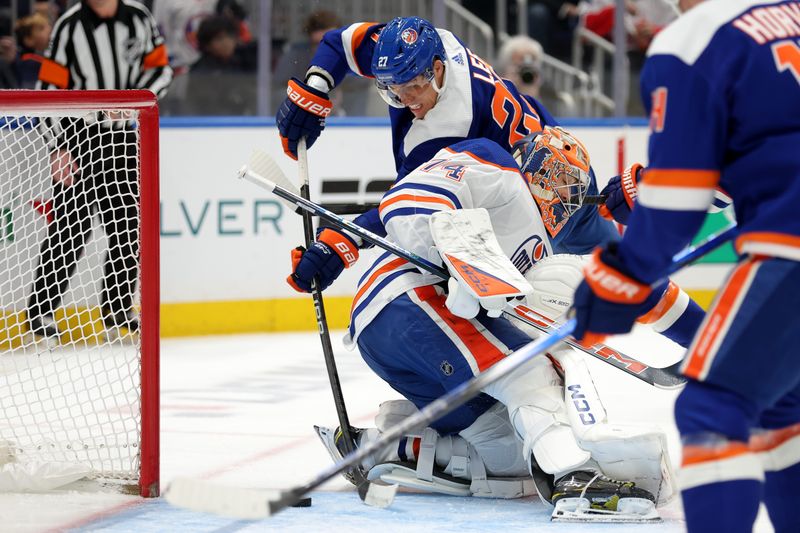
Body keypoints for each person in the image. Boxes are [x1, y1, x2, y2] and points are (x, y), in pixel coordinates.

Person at [279, 16, 704, 351]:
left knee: (481, 296)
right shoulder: (429, 45)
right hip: (556, 167)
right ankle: (708, 341)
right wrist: (316, 87)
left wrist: (344, 239)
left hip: (535, 204)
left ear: (438, 69)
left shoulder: (447, 128)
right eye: (391, 91)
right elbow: (342, 42)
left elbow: (413, 205)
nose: (406, 101)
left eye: (413, 88)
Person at [313, 128, 677, 520]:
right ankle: (574, 477)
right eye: (564, 183)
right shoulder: (496, 164)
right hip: (410, 298)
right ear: (540, 167)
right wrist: (462, 263)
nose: (567, 202)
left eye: (575, 193)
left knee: (507, 452)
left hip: (400, 334)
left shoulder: (539, 241)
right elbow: (410, 197)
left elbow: (501, 306)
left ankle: (382, 444)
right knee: (531, 372)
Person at [569, 0, 800, 531]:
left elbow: (678, 203)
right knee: (779, 408)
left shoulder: (694, 39)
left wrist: (617, 277)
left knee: (713, 409)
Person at [26, 0, 172, 340]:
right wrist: (58, 146)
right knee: (69, 228)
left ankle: (117, 311)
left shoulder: (139, 18)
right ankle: (40, 313)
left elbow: (161, 68)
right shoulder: (69, 26)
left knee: (128, 225)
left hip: (123, 138)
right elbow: (48, 89)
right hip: (79, 137)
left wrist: (136, 100)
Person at [12, 12, 52, 89]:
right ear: (28, 40)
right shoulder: (29, 63)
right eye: (41, 28)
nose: (49, 29)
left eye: (48, 26)